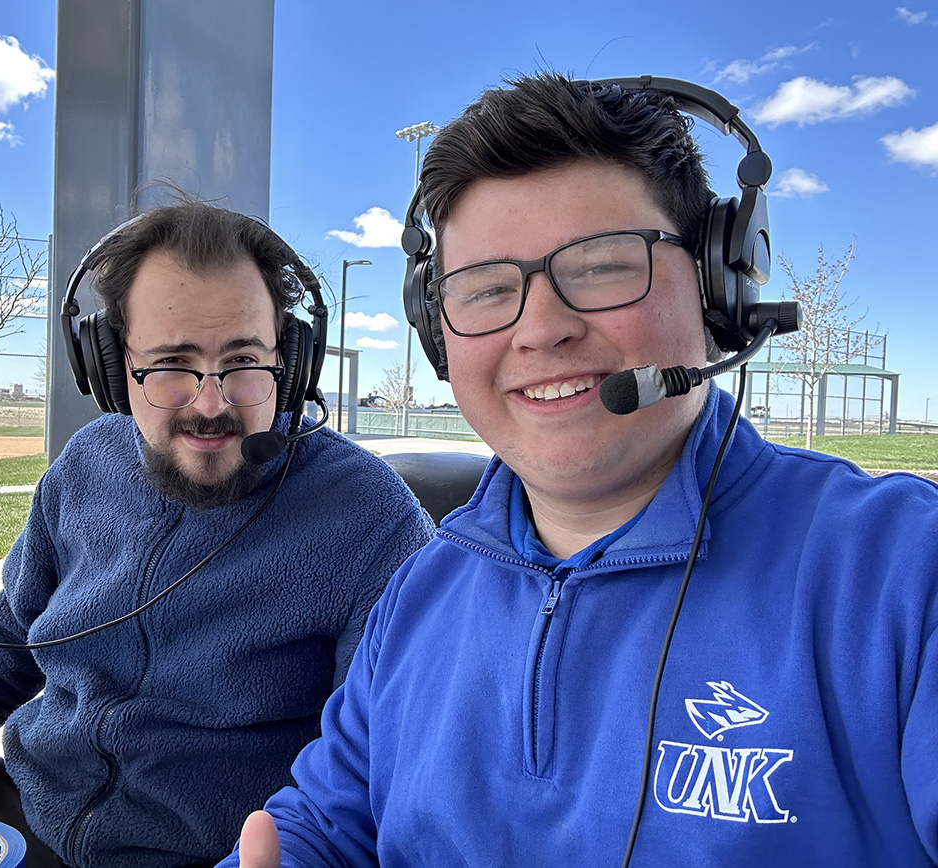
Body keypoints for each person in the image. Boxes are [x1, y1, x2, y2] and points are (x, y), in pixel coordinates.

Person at [221, 73, 938, 867]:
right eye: (487, 289)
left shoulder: (905, 575)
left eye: (601, 265)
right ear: (437, 333)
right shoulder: (419, 596)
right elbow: (325, 827)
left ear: (717, 286)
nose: (543, 329)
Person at [0, 200, 435, 868]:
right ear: (110, 368)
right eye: (172, 362)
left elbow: (374, 771)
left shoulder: (367, 517)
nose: (211, 402)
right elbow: (8, 644)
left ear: (292, 363)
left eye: (243, 360)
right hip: (23, 810)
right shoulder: (85, 465)